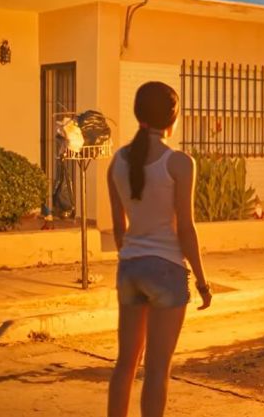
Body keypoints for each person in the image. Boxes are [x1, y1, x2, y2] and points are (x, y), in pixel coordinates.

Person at [107, 81, 212, 417]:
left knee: (125, 363)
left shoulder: (117, 163)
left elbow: (118, 231)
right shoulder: (179, 163)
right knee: (156, 370)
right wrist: (202, 281)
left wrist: (134, 255)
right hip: (166, 271)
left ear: (139, 114)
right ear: (172, 118)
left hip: (129, 269)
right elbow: (185, 229)